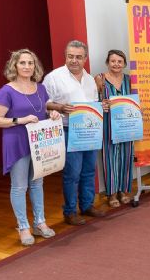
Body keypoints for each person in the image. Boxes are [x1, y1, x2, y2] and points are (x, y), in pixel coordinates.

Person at [0, 49, 61, 246]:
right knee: (19, 186)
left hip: (38, 143)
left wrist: (53, 114)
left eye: (30, 63)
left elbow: (44, 110)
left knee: (37, 184)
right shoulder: (6, 91)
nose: (27, 66)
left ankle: (40, 222)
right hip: (17, 143)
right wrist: (20, 120)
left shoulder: (41, 88)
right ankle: (23, 227)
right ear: (14, 65)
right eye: (22, 63)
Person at [44, 40, 106, 225]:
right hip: (67, 130)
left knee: (89, 170)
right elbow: (43, 103)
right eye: (70, 56)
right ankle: (70, 211)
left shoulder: (90, 79)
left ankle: (87, 205)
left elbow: (92, 103)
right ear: (65, 56)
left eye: (78, 57)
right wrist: (60, 107)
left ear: (85, 58)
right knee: (72, 173)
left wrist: (101, 106)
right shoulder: (53, 77)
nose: (74, 60)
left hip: (89, 130)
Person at [94, 50, 134, 208]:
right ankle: (111, 194)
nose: (116, 64)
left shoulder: (129, 80)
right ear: (107, 63)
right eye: (113, 61)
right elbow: (93, 100)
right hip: (108, 124)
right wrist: (101, 104)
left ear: (124, 64)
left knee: (126, 156)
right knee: (109, 158)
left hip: (126, 124)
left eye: (119, 61)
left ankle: (123, 191)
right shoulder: (100, 79)